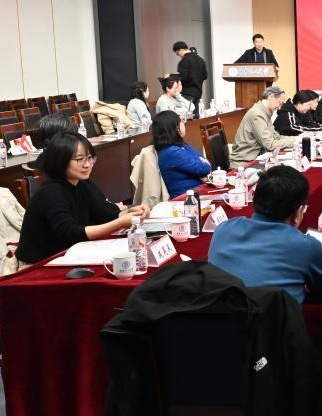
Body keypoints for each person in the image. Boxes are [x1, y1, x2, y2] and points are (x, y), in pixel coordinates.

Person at [208, 164, 322, 304]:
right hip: (276, 318)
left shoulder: (223, 229)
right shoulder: (307, 247)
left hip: (222, 315)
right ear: (298, 212)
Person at [14, 133, 148, 265]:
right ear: (60, 160)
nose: (87, 164)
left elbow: (103, 214)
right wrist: (120, 223)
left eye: (90, 158)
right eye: (80, 159)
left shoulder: (81, 183)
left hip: (67, 255)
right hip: (39, 264)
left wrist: (131, 213)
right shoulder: (50, 192)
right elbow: (70, 233)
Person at [231, 85, 301, 167]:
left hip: (256, 160)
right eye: (280, 102)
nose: (280, 107)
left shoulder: (264, 112)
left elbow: (276, 137)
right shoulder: (257, 114)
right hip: (244, 164)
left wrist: (298, 139)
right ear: (271, 97)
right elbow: (269, 145)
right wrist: (296, 140)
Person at [151, 110, 213, 198]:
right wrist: (204, 168)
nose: (183, 124)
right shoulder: (171, 152)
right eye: (180, 122)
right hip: (186, 198)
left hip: (197, 191)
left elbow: (202, 162)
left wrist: (204, 167)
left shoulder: (181, 144)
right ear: (174, 128)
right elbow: (203, 169)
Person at [172, 41, 209, 117]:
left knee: (185, 117)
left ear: (181, 50)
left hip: (187, 93)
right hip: (198, 93)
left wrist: (171, 76)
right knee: (196, 118)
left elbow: (183, 77)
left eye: (177, 52)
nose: (177, 55)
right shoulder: (201, 60)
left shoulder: (184, 60)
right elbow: (205, 76)